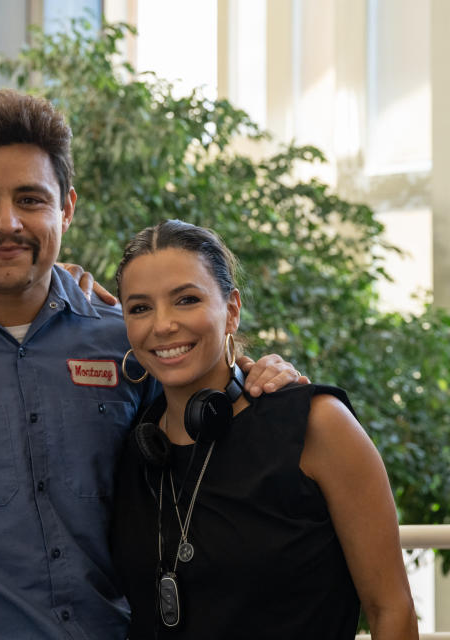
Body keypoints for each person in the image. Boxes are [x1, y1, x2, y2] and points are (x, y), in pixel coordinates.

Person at [0, 90, 301, 639]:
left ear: (66, 208)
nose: (7, 223)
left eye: (30, 199)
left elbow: (209, 435)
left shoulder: (123, 338)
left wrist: (262, 375)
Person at [109, 219, 417, 638]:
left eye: (186, 299)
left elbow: (391, 610)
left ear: (231, 309)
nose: (162, 325)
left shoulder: (316, 424)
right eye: (140, 307)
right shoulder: (139, 446)